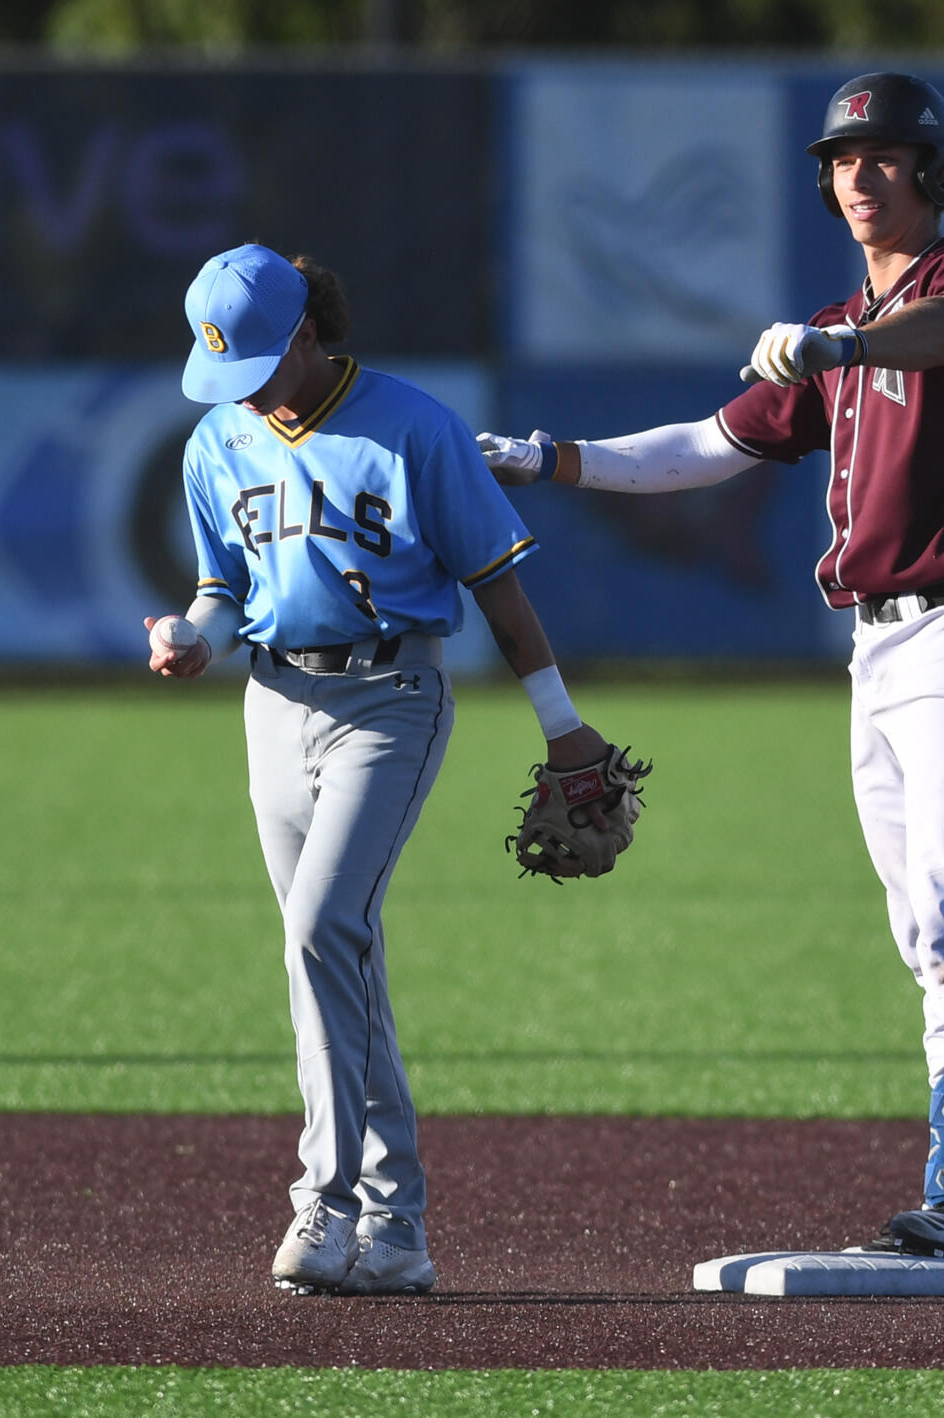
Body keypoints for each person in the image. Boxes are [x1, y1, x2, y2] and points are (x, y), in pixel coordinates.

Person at [478, 72, 944, 1287]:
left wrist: (841, 342)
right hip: (877, 645)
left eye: (886, 157)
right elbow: (704, 444)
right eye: (843, 159)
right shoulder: (834, 327)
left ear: (931, 175)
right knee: (919, 924)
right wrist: (547, 457)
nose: (859, 176)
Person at [148, 242, 624, 1297]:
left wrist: (562, 723)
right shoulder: (216, 440)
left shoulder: (415, 426)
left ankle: (322, 1200)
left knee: (321, 928)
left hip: (389, 700)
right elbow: (224, 587)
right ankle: (396, 1225)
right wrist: (192, 631)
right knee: (336, 954)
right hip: (271, 701)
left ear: (309, 334)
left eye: (259, 359)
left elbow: (497, 587)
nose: (241, 387)